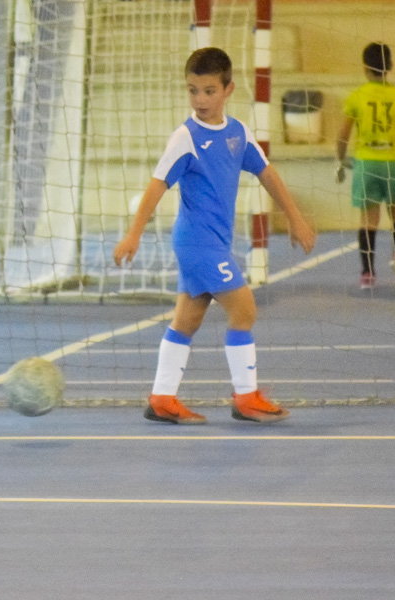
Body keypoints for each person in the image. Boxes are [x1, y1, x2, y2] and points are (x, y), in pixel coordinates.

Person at [113, 47, 316, 425]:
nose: (200, 100)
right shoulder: (185, 137)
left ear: (228, 89)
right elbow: (156, 187)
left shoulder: (238, 133)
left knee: (187, 322)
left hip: (212, 243)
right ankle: (246, 398)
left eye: (208, 91)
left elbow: (267, 173)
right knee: (244, 310)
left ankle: (161, 399)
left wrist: (295, 218)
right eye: (192, 91)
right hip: (197, 243)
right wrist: (133, 235)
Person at [336, 42, 395, 289]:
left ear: (365, 67)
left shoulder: (357, 97)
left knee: (368, 220)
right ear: (390, 67)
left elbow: (342, 136)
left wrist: (341, 159)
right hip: (393, 162)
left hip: (366, 162)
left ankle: (368, 274)